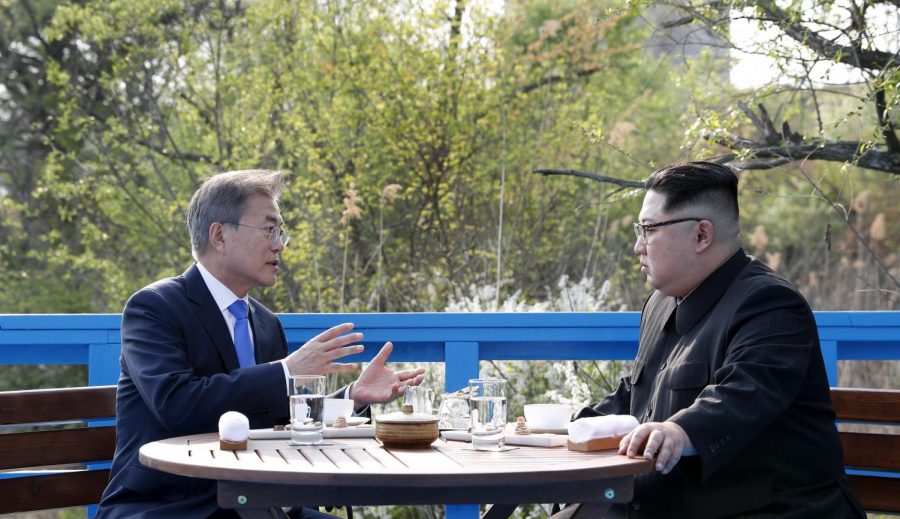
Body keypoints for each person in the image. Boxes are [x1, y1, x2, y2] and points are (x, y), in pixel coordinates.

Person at [97, 169, 425, 518]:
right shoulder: (154, 308)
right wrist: (285, 372)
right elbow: (177, 404)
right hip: (171, 506)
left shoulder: (266, 324)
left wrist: (350, 399)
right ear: (219, 235)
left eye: (280, 232)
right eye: (270, 229)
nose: (279, 244)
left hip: (256, 505)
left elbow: (282, 420)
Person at [573, 162, 864, 518]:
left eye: (648, 229)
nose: (637, 247)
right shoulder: (661, 302)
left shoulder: (770, 303)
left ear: (701, 235)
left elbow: (744, 393)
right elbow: (637, 394)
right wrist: (571, 428)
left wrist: (679, 431)